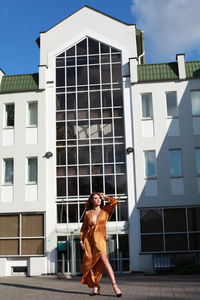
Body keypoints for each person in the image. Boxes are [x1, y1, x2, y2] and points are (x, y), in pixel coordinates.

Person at [80, 192, 122, 297]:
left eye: (99, 198)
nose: (98, 200)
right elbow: (84, 229)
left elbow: (115, 202)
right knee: (91, 264)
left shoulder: (105, 210)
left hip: (100, 240)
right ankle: (95, 286)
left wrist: (106, 197)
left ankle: (115, 286)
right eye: (95, 198)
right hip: (89, 241)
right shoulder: (88, 213)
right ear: (91, 200)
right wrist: (81, 240)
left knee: (105, 261)